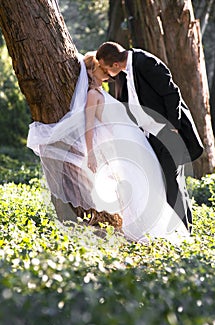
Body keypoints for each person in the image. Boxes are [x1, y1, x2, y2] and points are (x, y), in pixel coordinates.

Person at [27, 51, 190, 243]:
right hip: (124, 148)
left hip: (135, 144)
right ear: (90, 71)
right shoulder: (92, 95)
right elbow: (89, 127)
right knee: (137, 188)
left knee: (149, 187)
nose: (106, 72)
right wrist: (91, 154)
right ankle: (142, 232)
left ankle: (154, 230)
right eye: (100, 68)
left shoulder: (102, 92)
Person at [96, 42, 204, 231]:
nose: (106, 74)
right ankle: (172, 228)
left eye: (105, 68)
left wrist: (173, 126)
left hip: (168, 132)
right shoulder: (122, 75)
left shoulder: (145, 62)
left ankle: (185, 230)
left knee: (171, 180)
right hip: (149, 136)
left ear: (114, 64)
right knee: (161, 181)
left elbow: (172, 93)